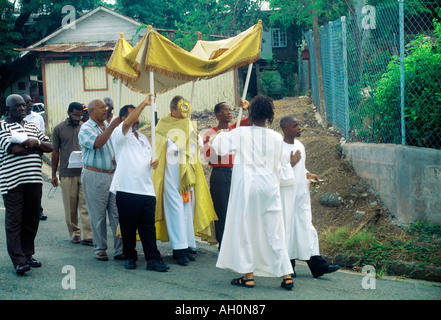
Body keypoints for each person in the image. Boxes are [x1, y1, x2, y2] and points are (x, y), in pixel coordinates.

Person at [211, 95, 294, 290]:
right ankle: (287, 275)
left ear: (251, 112)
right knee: (274, 230)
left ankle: (248, 276)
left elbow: (219, 147)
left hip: (247, 187)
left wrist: (225, 133)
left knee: (246, 228)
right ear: (270, 115)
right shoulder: (275, 137)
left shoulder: (241, 133)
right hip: (269, 187)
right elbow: (282, 161)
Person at [153, 95, 217, 266]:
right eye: (180, 111)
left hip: (187, 175)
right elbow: (159, 148)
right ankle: (179, 249)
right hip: (170, 175)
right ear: (172, 110)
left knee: (188, 208)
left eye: (185, 111)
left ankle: (189, 245)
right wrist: (177, 143)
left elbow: (195, 149)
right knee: (175, 210)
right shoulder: (162, 125)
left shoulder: (188, 124)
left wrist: (192, 141)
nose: (184, 116)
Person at [110, 96, 170, 272]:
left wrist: (154, 163)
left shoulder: (143, 138)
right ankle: (130, 256)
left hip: (146, 189)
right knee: (128, 227)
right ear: (123, 119)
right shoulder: (119, 133)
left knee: (148, 228)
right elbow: (128, 123)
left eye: (138, 116)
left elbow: (148, 158)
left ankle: (152, 259)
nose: (137, 119)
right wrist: (144, 104)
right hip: (127, 188)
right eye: (133, 116)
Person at [279, 115, 340, 278]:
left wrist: (309, 175)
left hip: (301, 196)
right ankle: (288, 267)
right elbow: (276, 173)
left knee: (306, 228)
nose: (300, 127)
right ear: (285, 129)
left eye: (299, 125)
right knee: (287, 231)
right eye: (295, 125)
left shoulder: (300, 145)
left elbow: (301, 168)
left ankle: (318, 266)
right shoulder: (278, 148)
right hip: (286, 197)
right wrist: (291, 164)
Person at [0, 94, 53, 275]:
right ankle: (18, 260)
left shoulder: (32, 125)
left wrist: (35, 142)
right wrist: (34, 145)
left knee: (31, 219)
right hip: (12, 182)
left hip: (34, 180)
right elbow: (13, 149)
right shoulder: (2, 126)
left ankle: (28, 254)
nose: (23, 108)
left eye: (24, 106)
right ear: (8, 109)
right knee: (14, 221)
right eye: (17, 106)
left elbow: (49, 146)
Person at [78, 98, 123, 261]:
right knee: (98, 215)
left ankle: (120, 249)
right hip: (95, 175)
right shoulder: (86, 128)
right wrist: (112, 126)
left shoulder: (107, 127)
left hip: (113, 174)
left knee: (117, 213)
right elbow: (98, 143)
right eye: (102, 107)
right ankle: (100, 248)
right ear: (91, 111)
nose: (106, 110)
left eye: (106, 107)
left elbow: (114, 147)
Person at [202, 100, 249, 250]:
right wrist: (220, 142)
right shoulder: (210, 133)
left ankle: (237, 242)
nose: (229, 113)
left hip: (236, 172)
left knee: (238, 208)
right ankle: (223, 244)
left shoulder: (236, 128)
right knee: (222, 210)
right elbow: (208, 157)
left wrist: (247, 108)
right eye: (225, 110)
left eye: (230, 110)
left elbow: (252, 120)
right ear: (217, 114)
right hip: (220, 174)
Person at [51, 102, 93, 246]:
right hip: (67, 173)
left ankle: (87, 234)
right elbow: (55, 152)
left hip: (84, 171)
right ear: (68, 112)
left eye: (80, 115)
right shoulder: (59, 129)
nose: (77, 118)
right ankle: (75, 233)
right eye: (75, 114)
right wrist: (53, 174)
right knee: (70, 206)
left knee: (85, 204)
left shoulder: (85, 128)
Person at [21, 94, 47, 220]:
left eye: (30, 101)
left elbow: (43, 138)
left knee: (36, 183)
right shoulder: (15, 118)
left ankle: (38, 209)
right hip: (20, 158)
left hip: (36, 156)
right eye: (26, 102)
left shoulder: (37, 118)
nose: (29, 104)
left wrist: (39, 149)